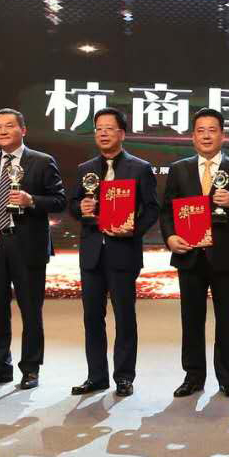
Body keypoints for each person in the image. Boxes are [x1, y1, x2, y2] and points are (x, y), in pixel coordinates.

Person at [159, 107, 229, 399]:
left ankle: (228, 377)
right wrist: (170, 237)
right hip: (189, 254)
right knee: (191, 318)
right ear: (192, 137)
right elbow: (166, 211)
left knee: (226, 318)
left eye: (212, 130)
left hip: (224, 256)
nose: (206, 136)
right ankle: (193, 376)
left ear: (222, 135)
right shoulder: (179, 169)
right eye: (200, 131)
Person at [0, 108, 66, 391]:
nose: (2, 131)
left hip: (28, 246)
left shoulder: (42, 161)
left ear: (23, 130)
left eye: (9, 126)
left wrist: (31, 200)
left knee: (31, 311)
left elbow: (59, 200)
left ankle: (31, 368)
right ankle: (1, 366)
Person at [70, 107, 159, 397]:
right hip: (92, 254)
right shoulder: (85, 169)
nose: (103, 133)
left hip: (123, 252)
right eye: (98, 129)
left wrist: (131, 230)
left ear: (121, 133)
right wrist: (81, 208)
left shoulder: (139, 168)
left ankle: (124, 376)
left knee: (124, 316)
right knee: (92, 317)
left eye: (109, 128)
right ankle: (96, 376)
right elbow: (72, 205)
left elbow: (152, 209)